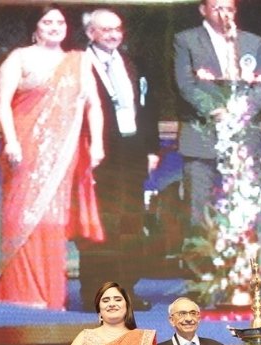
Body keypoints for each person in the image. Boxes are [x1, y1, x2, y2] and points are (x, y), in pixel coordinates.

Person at [0, 5, 105, 311]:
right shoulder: (19, 58)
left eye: (60, 22)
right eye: (47, 22)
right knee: (22, 216)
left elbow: (94, 105)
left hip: (63, 152)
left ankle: (51, 294)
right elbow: (2, 102)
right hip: (25, 149)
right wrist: (11, 141)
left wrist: (97, 144)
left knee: (53, 219)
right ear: (35, 27)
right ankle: (21, 291)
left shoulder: (78, 62)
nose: (55, 27)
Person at [78, 8, 160, 310]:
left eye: (117, 29)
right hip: (98, 154)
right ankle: (96, 293)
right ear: (91, 33)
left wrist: (151, 149)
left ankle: (126, 291)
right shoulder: (79, 63)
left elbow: (148, 107)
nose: (113, 35)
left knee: (130, 223)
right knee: (101, 224)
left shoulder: (131, 62)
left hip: (133, 152)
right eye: (106, 29)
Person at [173, 0, 261, 240]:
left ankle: (248, 264)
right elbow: (185, 84)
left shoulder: (252, 42)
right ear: (203, 10)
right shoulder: (186, 40)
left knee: (246, 210)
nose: (224, 14)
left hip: (243, 137)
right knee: (199, 211)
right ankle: (202, 263)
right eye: (217, 8)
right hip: (202, 137)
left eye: (229, 9)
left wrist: (242, 112)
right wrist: (216, 111)